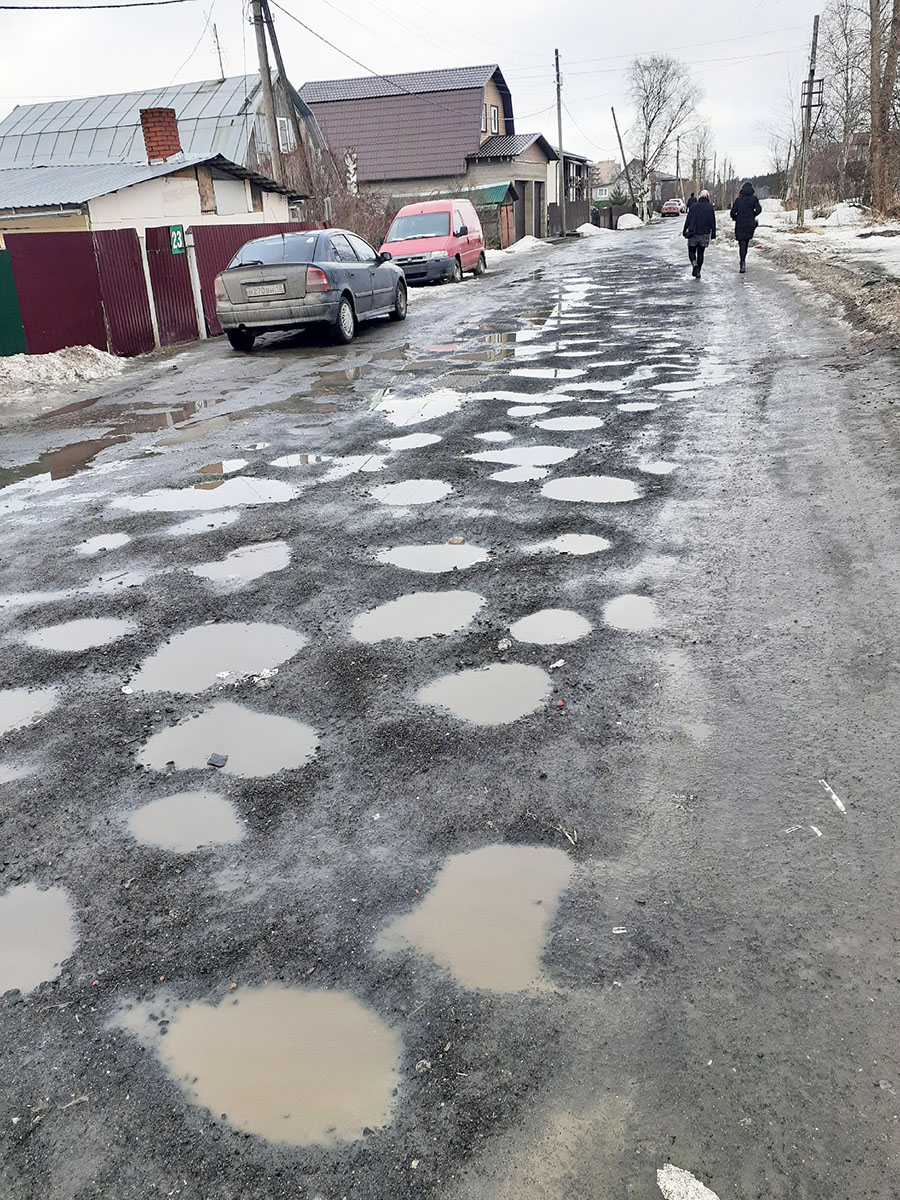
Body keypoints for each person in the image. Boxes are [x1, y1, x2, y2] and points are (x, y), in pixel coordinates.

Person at [682, 189, 716, 278]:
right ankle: (698, 271)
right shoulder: (710, 207)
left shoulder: (694, 206)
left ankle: (694, 264)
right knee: (701, 253)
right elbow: (713, 221)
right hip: (704, 233)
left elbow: (688, 219)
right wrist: (713, 233)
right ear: (708, 197)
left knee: (691, 251)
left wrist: (685, 229)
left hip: (693, 232)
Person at [730, 181, 762, 273]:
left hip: (740, 223)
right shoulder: (754, 199)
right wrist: (753, 215)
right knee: (746, 242)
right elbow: (759, 209)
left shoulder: (738, 200)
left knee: (741, 243)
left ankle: (742, 261)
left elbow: (732, 213)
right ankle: (743, 260)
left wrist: (736, 218)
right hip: (750, 223)